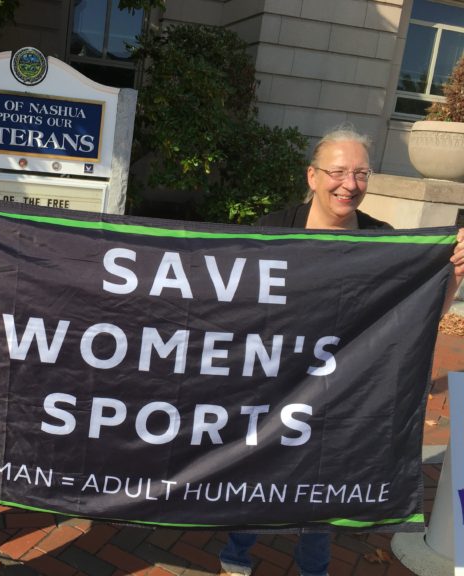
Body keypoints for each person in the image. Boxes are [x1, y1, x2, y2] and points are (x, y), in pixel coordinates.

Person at [218, 124, 464, 576]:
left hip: (343, 387)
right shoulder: (273, 230)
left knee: (322, 480)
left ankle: (315, 569)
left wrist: (451, 276)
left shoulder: (384, 241)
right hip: (275, 381)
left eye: (361, 174)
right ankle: (236, 555)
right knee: (258, 468)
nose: (349, 185)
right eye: (338, 172)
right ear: (312, 177)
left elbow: (417, 314)